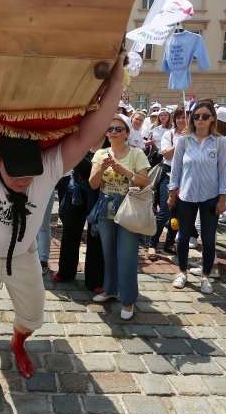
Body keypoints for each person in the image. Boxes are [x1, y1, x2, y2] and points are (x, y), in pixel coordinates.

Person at [0, 37, 126, 414]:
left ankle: (18, 343)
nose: (23, 180)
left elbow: (89, 134)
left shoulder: (48, 165)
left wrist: (117, 76)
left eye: (29, 172)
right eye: (15, 172)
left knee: (33, 314)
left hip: (23, 256)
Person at [168, 99, 226, 294]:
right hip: (186, 195)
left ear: (213, 118)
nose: (200, 119)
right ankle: (182, 272)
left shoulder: (219, 142)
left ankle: (206, 276)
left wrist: (223, 198)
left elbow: (224, 171)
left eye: (205, 116)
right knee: (183, 237)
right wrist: (173, 193)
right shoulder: (184, 140)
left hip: (210, 196)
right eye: (196, 116)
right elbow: (176, 169)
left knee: (208, 238)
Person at [89, 115, 150, 319]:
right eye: (110, 129)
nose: (113, 132)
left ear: (126, 133)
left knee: (127, 256)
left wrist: (125, 171)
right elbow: (93, 184)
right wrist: (102, 168)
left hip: (129, 206)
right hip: (106, 205)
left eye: (118, 129)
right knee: (109, 253)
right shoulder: (101, 153)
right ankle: (111, 289)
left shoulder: (136, 153)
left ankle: (128, 300)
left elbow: (144, 182)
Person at [51, 139, 105, 292]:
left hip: (100, 194)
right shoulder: (83, 137)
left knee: (96, 235)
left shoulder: (110, 139)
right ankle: (66, 272)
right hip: (76, 191)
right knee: (70, 232)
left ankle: (95, 280)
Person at [148, 106, 184, 259]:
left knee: (179, 215)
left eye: (185, 117)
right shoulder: (169, 134)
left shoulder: (196, 136)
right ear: (174, 119)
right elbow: (166, 154)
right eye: (179, 117)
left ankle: (169, 243)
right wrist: (182, 141)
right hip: (169, 176)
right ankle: (152, 244)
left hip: (187, 179)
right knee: (164, 212)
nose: (182, 120)